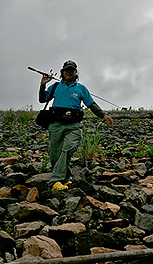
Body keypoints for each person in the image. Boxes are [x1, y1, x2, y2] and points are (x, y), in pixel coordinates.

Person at [39, 60, 114, 191]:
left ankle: (55, 181)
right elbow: (42, 99)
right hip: (56, 124)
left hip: (74, 125)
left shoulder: (81, 88)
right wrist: (42, 85)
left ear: (75, 73)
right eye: (66, 70)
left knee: (68, 149)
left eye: (71, 70)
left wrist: (104, 115)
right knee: (55, 154)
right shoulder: (56, 87)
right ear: (62, 72)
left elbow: (91, 104)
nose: (69, 72)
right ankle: (65, 178)